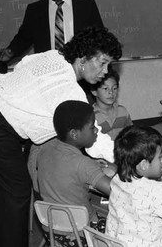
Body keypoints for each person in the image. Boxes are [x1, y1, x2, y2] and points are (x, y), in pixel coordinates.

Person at [0, 26, 122, 247]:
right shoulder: (69, 89)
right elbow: (94, 139)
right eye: (103, 62)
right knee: (16, 192)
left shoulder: (54, 56)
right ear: (82, 58)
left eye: (109, 65)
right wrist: (127, 157)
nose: (105, 71)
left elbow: (23, 65)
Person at [37, 100, 111, 246]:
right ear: (74, 134)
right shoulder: (82, 164)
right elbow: (117, 190)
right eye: (92, 127)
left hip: (52, 231)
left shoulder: (45, 150)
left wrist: (91, 167)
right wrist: (115, 172)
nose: (96, 130)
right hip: (80, 234)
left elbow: (62, 170)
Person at [0, 0, 103, 62]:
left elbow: (99, 37)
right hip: (48, 69)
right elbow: (24, 38)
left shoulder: (86, 5)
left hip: (81, 67)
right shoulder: (35, 10)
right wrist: (11, 51)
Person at [91, 66, 133, 140]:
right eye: (105, 88)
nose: (111, 92)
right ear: (94, 91)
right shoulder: (91, 116)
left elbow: (131, 135)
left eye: (114, 88)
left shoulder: (122, 111)